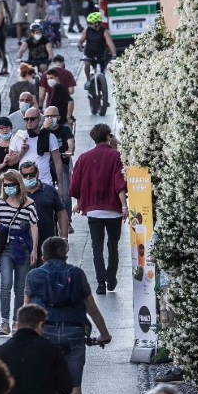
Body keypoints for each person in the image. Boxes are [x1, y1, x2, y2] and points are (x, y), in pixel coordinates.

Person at [24, 236, 112, 394]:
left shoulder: (33, 276)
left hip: (44, 333)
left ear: (43, 255)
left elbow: (26, 312)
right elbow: (92, 309)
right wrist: (104, 334)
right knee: (74, 389)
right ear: (65, 253)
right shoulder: (77, 274)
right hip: (74, 333)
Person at [68, 123, 128, 294]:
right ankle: (112, 279)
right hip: (113, 209)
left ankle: (101, 283)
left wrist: (79, 203)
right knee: (113, 246)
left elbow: (76, 183)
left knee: (97, 246)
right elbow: (120, 184)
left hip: (93, 210)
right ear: (109, 136)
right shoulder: (117, 156)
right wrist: (124, 206)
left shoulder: (84, 158)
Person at [0, 169, 38, 335]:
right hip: (6, 248)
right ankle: (4, 322)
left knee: (20, 287)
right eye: (6, 185)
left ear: (19, 185)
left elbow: (34, 227)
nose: (8, 188)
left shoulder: (29, 204)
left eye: (11, 185)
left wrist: (34, 250)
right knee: (6, 283)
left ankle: (17, 321)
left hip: (23, 248)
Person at [20, 160, 68, 254]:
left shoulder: (49, 190)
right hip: (24, 245)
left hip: (48, 244)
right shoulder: (18, 193)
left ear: (37, 174)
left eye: (32, 174)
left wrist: (64, 239)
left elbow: (61, 214)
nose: (28, 177)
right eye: (25, 175)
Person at [16, 107, 63, 190]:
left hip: (45, 183)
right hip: (24, 185)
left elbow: (57, 162)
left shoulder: (50, 137)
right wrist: (21, 153)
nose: (29, 121)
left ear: (39, 119)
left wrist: (61, 186)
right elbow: (10, 161)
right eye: (26, 119)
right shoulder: (19, 137)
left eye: (32, 119)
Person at [45, 105, 76, 201]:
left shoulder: (65, 129)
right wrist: (44, 129)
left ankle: (67, 214)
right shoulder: (42, 131)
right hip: (46, 164)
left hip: (62, 161)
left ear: (58, 117)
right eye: (47, 116)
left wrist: (70, 150)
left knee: (66, 192)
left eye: (52, 116)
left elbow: (70, 142)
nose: (50, 119)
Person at [0, 116, 21, 203]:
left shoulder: (17, 143)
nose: (4, 130)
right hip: (1, 180)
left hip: (17, 179)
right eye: (1, 128)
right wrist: (3, 164)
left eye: (6, 127)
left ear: (11, 128)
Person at [78, 12, 116, 82]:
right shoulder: (86, 30)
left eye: (91, 23)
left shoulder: (104, 31)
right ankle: (88, 80)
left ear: (97, 23)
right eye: (89, 23)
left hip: (101, 53)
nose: (89, 25)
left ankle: (102, 80)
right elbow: (81, 40)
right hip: (89, 53)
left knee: (103, 69)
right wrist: (79, 45)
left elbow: (110, 43)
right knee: (87, 63)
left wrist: (114, 54)